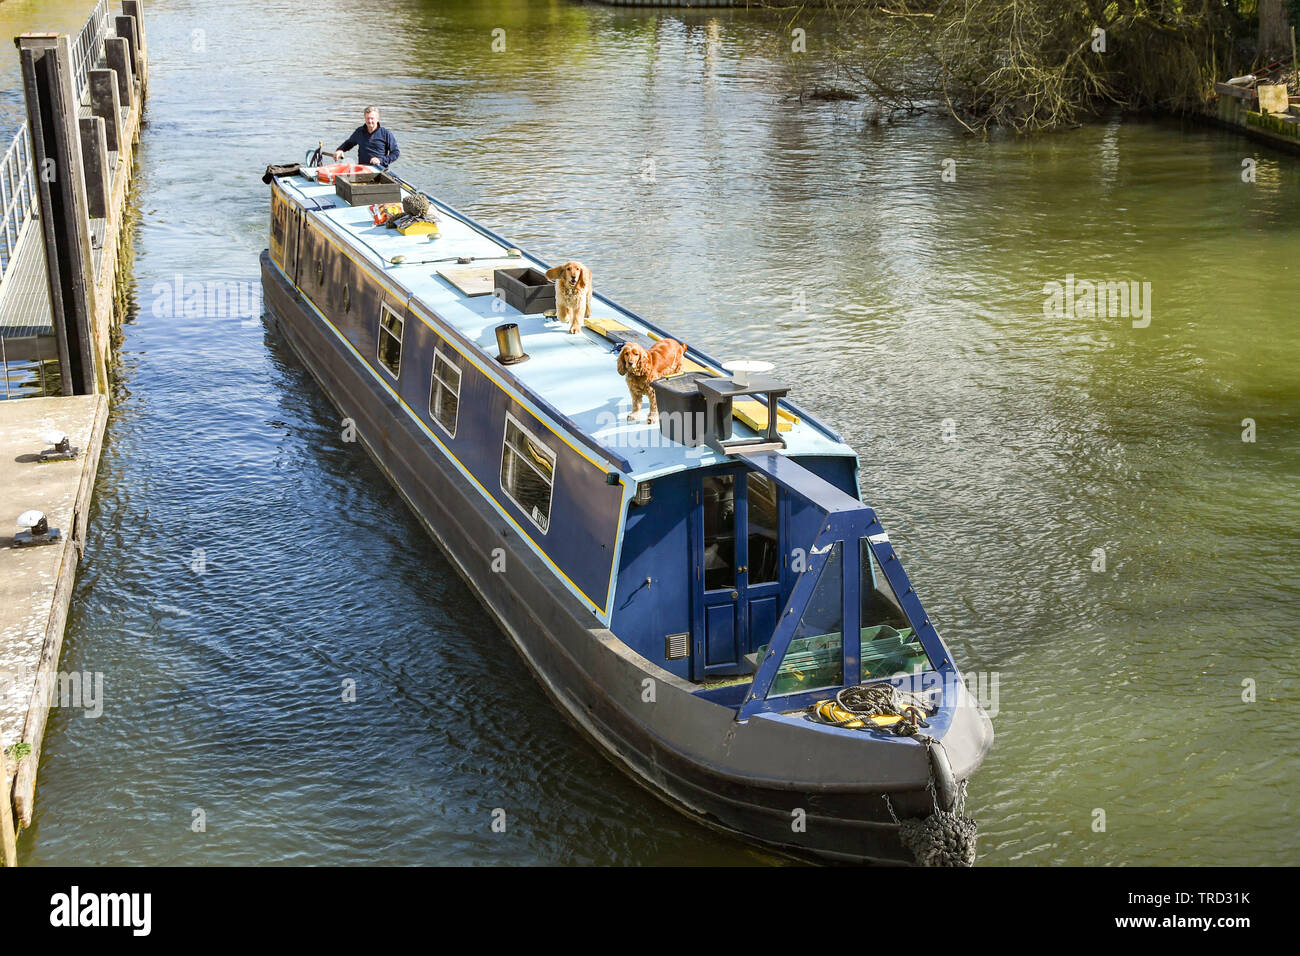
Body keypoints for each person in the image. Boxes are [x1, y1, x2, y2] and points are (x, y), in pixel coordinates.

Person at [335, 106, 400, 169]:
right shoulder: (359, 131)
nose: (369, 121)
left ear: (377, 119)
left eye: (372, 118)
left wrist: (380, 160)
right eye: (367, 118)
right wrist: (340, 150)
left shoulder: (386, 134)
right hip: (362, 170)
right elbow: (349, 143)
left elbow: (395, 153)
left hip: (380, 170)